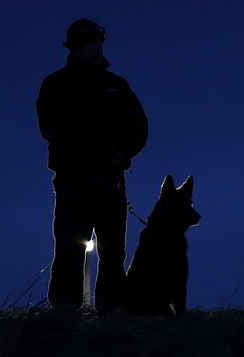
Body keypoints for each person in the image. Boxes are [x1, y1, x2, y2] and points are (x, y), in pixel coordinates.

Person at [36, 18, 148, 315]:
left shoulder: (117, 85)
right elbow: (53, 127)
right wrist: (104, 150)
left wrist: (121, 154)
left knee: (114, 249)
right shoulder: (56, 84)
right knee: (71, 245)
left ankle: (112, 310)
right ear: (74, 48)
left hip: (111, 179)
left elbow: (140, 125)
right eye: (89, 42)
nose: (97, 46)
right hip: (75, 177)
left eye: (99, 40)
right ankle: (64, 310)